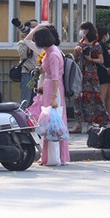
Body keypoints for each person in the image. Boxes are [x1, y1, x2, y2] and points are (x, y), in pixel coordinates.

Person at [33, 25, 69, 166]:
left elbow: (55, 77)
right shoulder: (50, 52)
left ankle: (55, 156)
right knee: (48, 121)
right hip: (49, 88)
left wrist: (54, 97)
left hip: (54, 89)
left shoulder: (53, 54)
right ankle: (48, 156)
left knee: (52, 123)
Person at [73, 21, 110, 132]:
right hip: (80, 72)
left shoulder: (96, 44)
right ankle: (78, 123)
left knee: (91, 98)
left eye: (83, 29)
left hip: (90, 74)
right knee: (77, 97)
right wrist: (76, 52)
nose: (82, 32)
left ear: (88, 30)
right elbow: (76, 58)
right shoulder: (80, 42)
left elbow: (101, 60)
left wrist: (90, 59)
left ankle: (90, 122)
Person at [14, 18, 39, 105]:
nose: (35, 29)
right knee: (27, 98)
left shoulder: (40, 42)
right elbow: (23, 56)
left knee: (36, 99)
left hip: (38, 74)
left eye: (37, 27)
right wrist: (27, 41)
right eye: (32, 27)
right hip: (28, 74)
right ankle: (24, 116)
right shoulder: (23, 43)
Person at [97, 26, 110, 120]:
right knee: (103, 95)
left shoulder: (103, 45)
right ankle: (101, 115)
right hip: (103, 71)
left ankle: (109, 115)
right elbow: (105, 60)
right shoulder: (100, 45)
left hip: (106, 72)